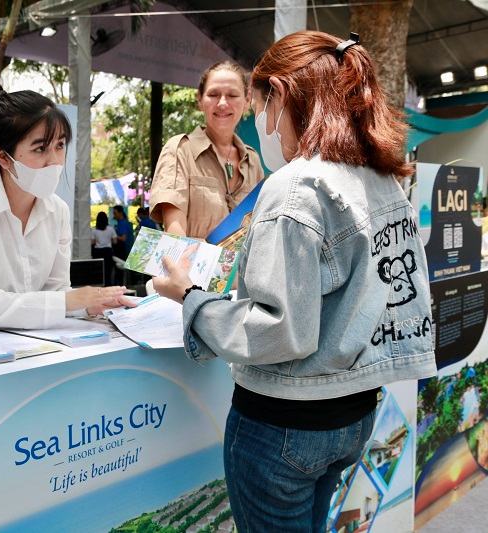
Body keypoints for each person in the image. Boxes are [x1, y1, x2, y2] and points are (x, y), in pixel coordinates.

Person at [153, 31, 436, 532]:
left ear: (280, 97)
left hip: (283, 422)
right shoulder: (379, 178)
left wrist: (192, 299)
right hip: (353, 414)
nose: (261, 122)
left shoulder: (295, 186)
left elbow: (279, 330)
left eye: (258, 105)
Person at [0, 83, 133, 329]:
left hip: (39, 350)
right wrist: (70, 300)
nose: (55, 161)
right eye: (40, 149)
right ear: (3, 157)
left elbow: (57, 292)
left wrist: (89, 305)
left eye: (60, 145)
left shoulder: (58, 211)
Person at [149, 61, 265, 239]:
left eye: (233, 95)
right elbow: (174, 235)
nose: (222, 103)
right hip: (191, 265)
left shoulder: (253, 160)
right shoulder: (180, 150)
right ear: (200, 100)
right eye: (213, 94)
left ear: (247, 101)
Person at [91, 211, 117, 286]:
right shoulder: (111, 229)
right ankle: (108, 285)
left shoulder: (94, 230)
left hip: (97, 252)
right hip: (108, 252)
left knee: (98, 271)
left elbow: (92, 242)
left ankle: (99, 286)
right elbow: (115, 241)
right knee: (108, 270)